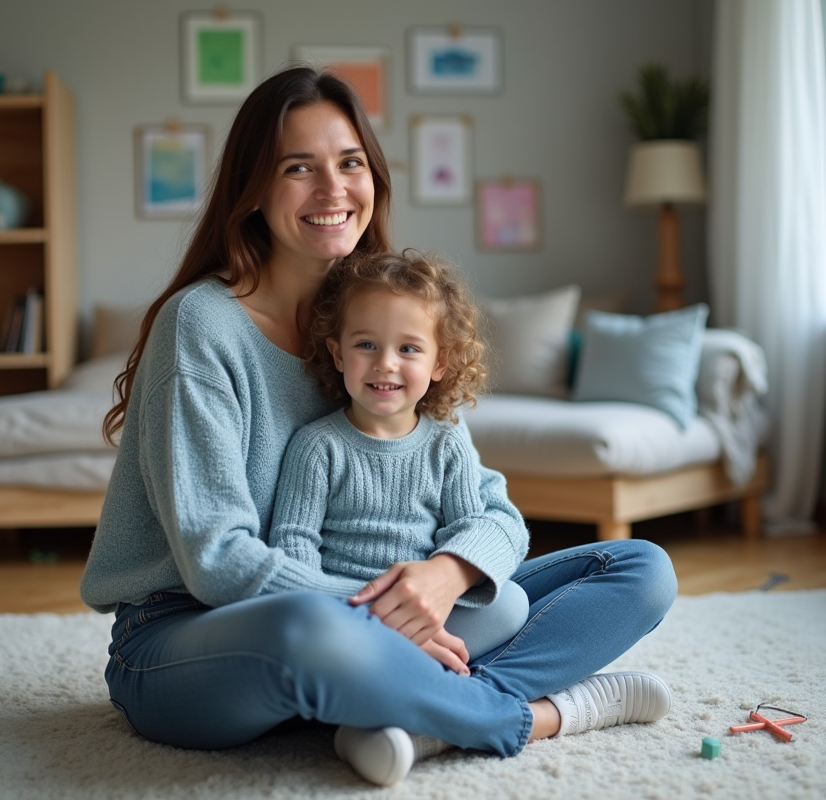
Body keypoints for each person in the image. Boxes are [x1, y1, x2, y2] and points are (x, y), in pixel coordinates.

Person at [79, 65, 678, 788]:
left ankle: (401, 711)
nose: (333, 190)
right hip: (188, 637)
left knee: (637, 569)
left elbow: (491, 512)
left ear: (374, 178)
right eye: (299, 168)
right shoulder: (201, 325)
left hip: (362, 614)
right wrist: (381, 615)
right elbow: (219, 561)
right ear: (255, 191)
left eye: (350, 162)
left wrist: (443, 576)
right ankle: (524, 715)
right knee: (314, 631)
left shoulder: (380, 316)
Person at [268, 249, 531, 663]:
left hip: (427, 610)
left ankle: (398, 678)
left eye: (408, 349)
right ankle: (403, 678)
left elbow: (466, 529)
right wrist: (355, 616)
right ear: (338, 355)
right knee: (302, 631)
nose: (385, 364)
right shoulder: (317, 446)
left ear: (439, 363)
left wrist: (429, 609)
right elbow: (293, 546)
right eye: (366, 344)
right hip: (346, 613)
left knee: (510, 604)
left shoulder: (447, 444)